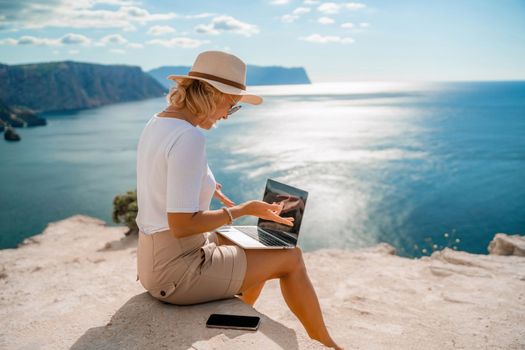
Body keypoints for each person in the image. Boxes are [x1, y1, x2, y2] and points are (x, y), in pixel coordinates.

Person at [135, 50, 342, 349]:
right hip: (177, 271)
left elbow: (160, 177)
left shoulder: (160, 122)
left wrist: (207, 187)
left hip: (152, 259)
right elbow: (181, 225)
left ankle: (237, 311)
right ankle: (323, 339)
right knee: (290, 259)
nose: (225, 116)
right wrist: (243, 209)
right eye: (230, 106)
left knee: (250, 246)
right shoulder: (190, 138)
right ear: (210, 94)